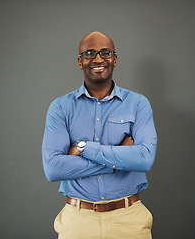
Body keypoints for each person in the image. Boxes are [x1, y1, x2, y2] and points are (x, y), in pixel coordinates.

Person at [42, 31, 157, 239]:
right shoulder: (60, 107)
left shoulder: (138, 104)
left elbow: (145, 159)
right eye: (89, 53)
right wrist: (122, 156)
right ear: (80, 61)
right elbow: (53, 168)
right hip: (77, 221)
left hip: (129, 219)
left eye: (105, 52)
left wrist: (83, 150)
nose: (97, 59)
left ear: (115, 59)